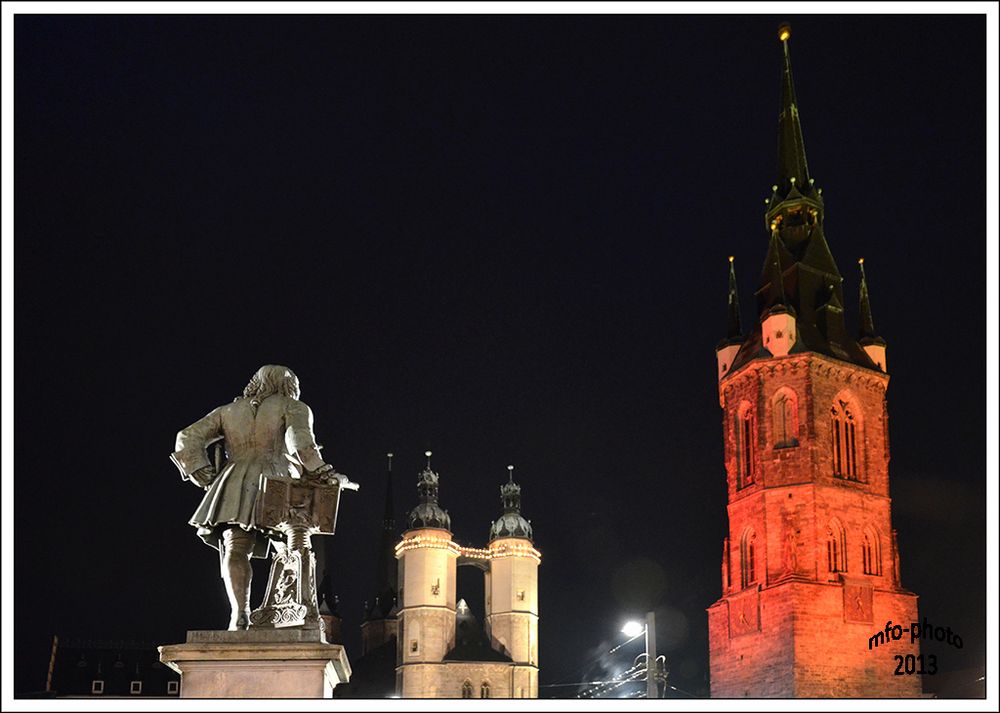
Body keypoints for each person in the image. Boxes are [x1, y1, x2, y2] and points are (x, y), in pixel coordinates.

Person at [171, 365, 338, 630]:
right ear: (289, 386)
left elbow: (186, 437)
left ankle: (240, 614)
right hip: (278, 479)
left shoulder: (227, 411)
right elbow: (299, 441)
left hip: (234, 481)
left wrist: (201, 473)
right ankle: (294, 612)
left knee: (236, 547)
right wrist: (323, 471)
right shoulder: (293, 407)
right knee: (292, 545)